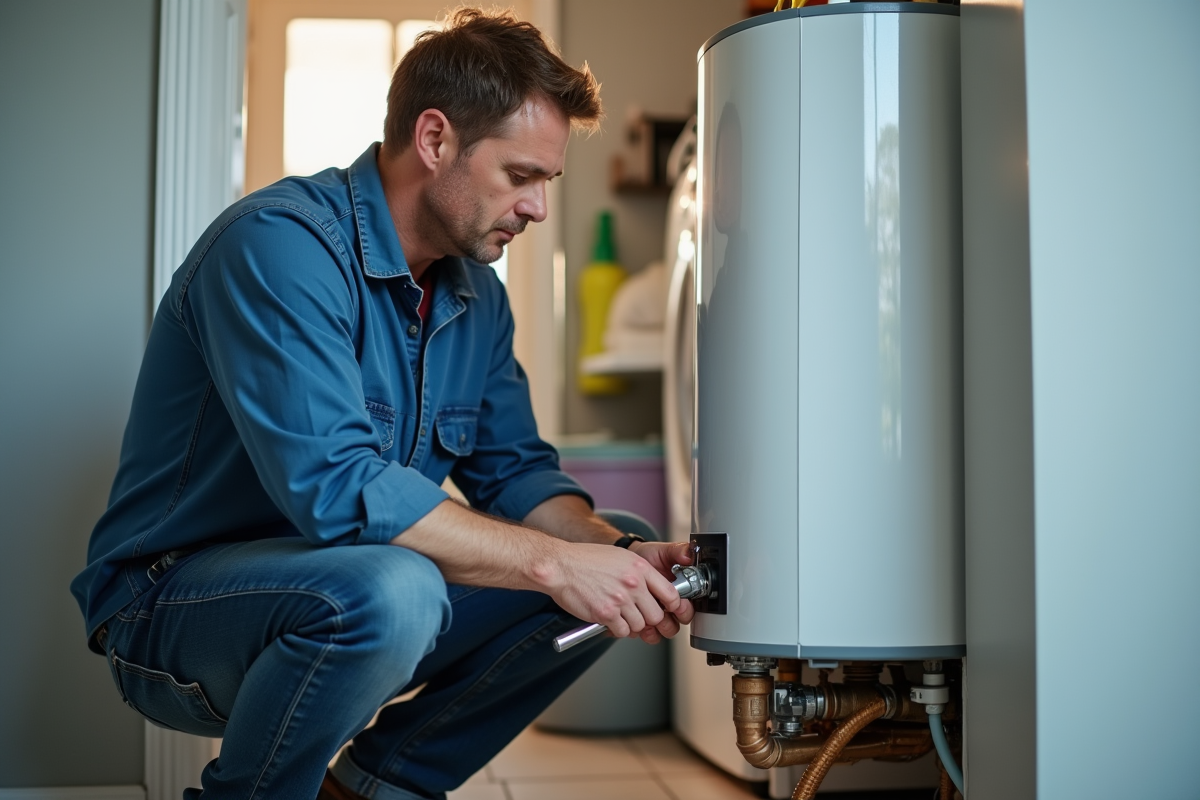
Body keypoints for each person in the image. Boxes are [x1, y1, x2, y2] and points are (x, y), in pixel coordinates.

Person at [70, 9, 694, 799]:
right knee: (396, 588)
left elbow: (520, 478)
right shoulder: (278, 245)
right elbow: (338, 488)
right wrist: (556, 563)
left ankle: (369, 791)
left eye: (548, 181)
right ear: (435, 140)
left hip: (352, 596)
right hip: (174, 607)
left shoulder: (476, 299)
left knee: (616, 552)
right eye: (521, 176)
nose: (538, 208)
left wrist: (612, 555)